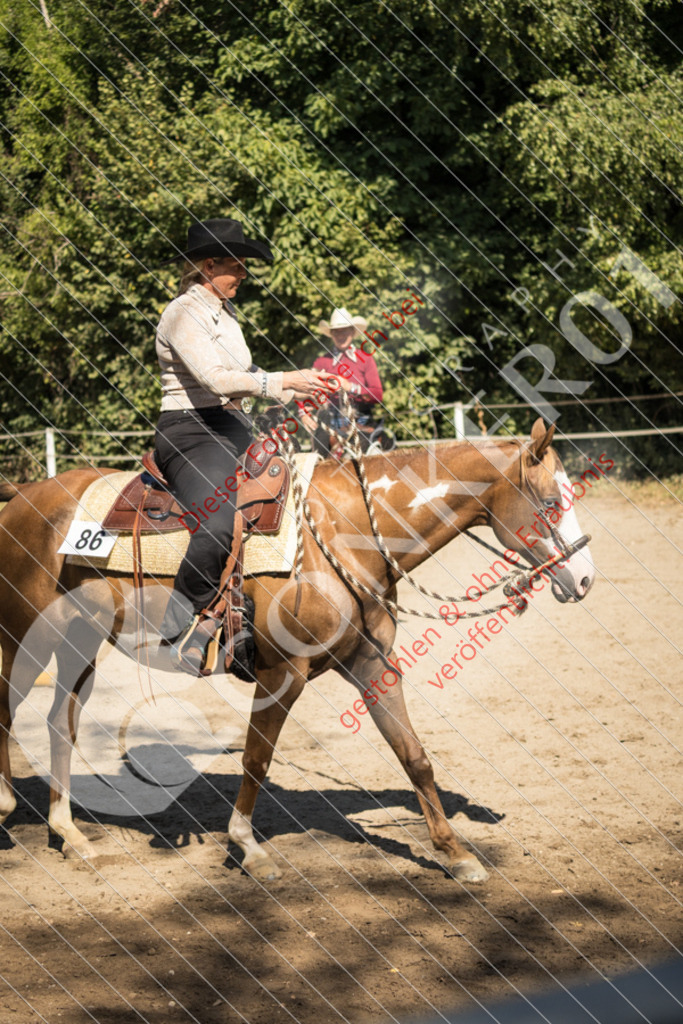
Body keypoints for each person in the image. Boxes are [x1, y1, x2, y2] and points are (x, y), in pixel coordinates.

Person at [154, 217, 330, 673]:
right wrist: (284, 380)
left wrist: (304, 387)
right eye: (238, 265)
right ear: (209, 265)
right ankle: (175, 622)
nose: (245, 274)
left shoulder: (225, 313)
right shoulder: (182, 313)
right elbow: (214, 379)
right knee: (215, 520)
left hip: (232, 427)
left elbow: (245, 381)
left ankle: (248, 617)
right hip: (192, 431)